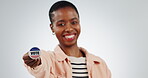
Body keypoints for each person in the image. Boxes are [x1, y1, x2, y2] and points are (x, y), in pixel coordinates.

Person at [23, 1, 111, 78]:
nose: (69, 28)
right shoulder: (49, 60)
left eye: (74, 22)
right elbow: (41, 65)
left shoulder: (99, 64)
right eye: (61, 24)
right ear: (52, 28)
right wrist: (34, 61)